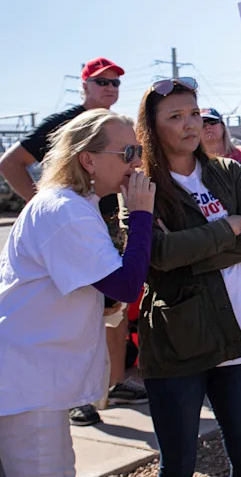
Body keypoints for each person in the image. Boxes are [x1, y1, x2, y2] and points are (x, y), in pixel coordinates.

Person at [0, 109, 155, 476]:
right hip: (29, 383)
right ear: (88, 159)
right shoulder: (67, 210)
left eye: (138, 151)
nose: (136, 163)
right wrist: (140, 215)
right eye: (126, 153)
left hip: (31, 378)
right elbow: (125, 285)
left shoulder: (70, 203)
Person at [131, 77, 241, 477]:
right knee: (179, 464)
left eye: (193, 113)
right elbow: (157, 254)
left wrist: (187, 252)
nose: (190, 124)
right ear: (152, 127)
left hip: (237, 337)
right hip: (178, 347)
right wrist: (227, 230)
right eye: (175, 116)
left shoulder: (227, 172)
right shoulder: (143, 185)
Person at [200, 108, 241, 173]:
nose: (208, 126)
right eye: (202, 123)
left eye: (212, 121)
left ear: (223, 127)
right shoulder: (193, 164)